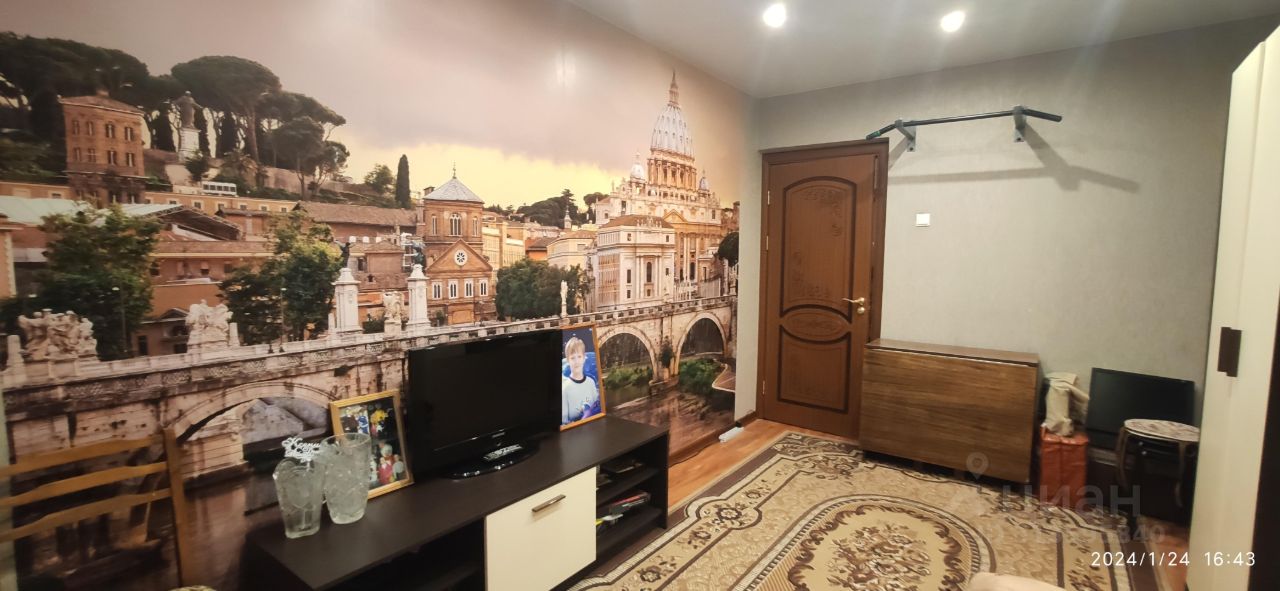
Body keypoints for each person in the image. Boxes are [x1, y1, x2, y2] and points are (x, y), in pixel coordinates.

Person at [561, 335, 600, 425]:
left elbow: (596, 408)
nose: (576, 361)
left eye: (579, 356)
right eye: (572, 358)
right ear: (568, 360)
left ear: (584, 358)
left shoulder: (591, 383)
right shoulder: (565, 389)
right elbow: (564, 422)